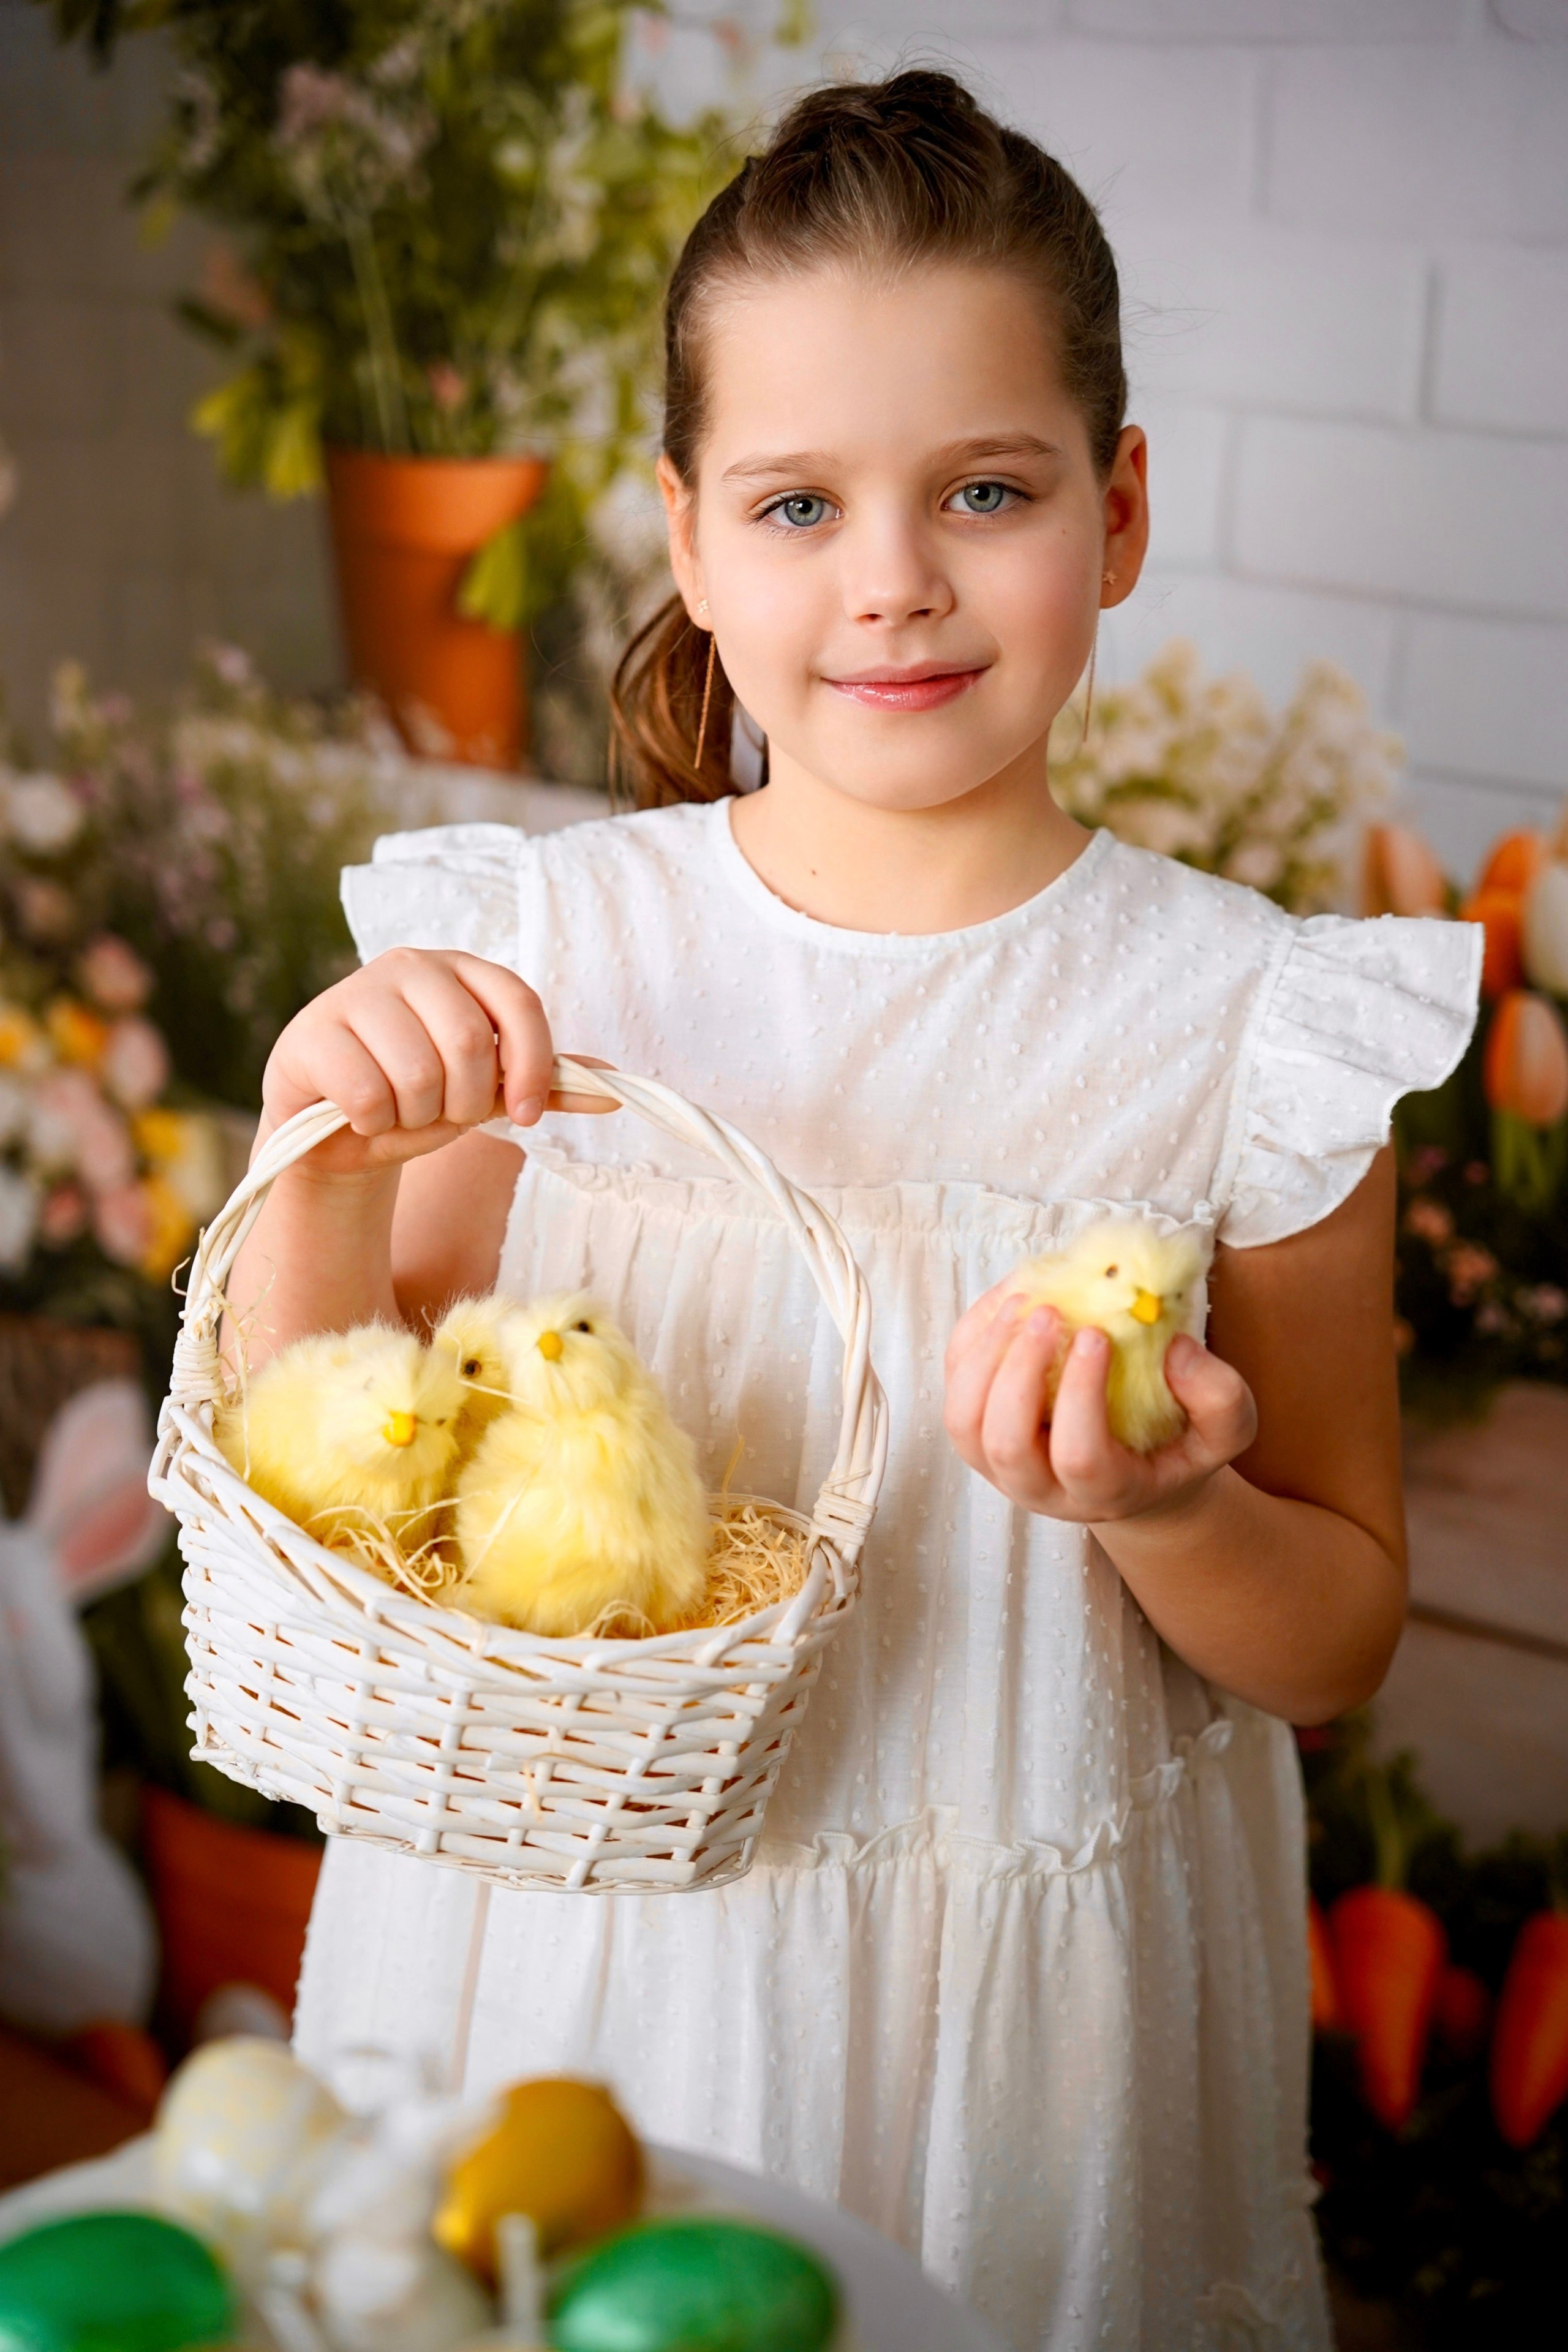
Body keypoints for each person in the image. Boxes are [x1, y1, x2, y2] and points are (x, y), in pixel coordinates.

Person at [244, 72, 1477, 2351]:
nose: (892, 576)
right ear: (689, 538)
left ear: (1112, 515)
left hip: (1028, 2043)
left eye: (982, 490)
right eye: (800, 500)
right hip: (563, 1953)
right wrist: (326, 1146)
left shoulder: (1252, 1025)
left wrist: (1167, 1507)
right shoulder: (534, 953)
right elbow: (351, 1509)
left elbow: (1337, 1637)